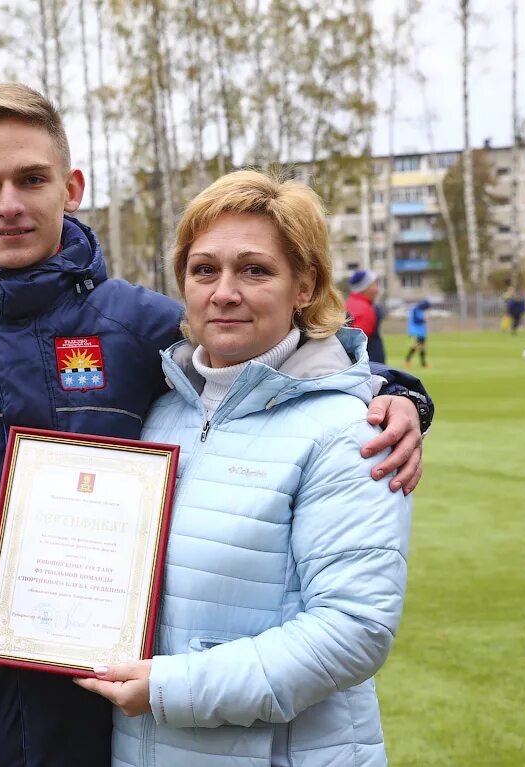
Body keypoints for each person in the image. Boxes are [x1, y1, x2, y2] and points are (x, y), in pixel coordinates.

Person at [0, 83, 431, 767]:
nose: (8, 204)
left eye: (31, 179)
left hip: (102, 725)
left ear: (71, 185)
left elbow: (261, 362)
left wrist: (397, 393)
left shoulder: (139, 325)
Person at [75, 169, 412, 766]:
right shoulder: (160, 410)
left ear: (304, 285)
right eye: (204, 270)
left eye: (254, 270)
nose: (224, 291)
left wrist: (170, 688)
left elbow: (354, 628)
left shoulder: (348, 429)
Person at [345, 269, 382, 362]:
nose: (377, 290)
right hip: (369, 364)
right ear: (364, 287)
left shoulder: (349, 302)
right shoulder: (364, 310)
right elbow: (358, 344)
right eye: (374, 285)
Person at [405, 298, 431, 368]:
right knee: (415, 346)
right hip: (414, 331)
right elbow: (416, 320)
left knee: (422, 347)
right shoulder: (414, 309)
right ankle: (407, 360)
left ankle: (423, 363)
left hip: (421, 331)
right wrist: (424, 319)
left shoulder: (422, 310)